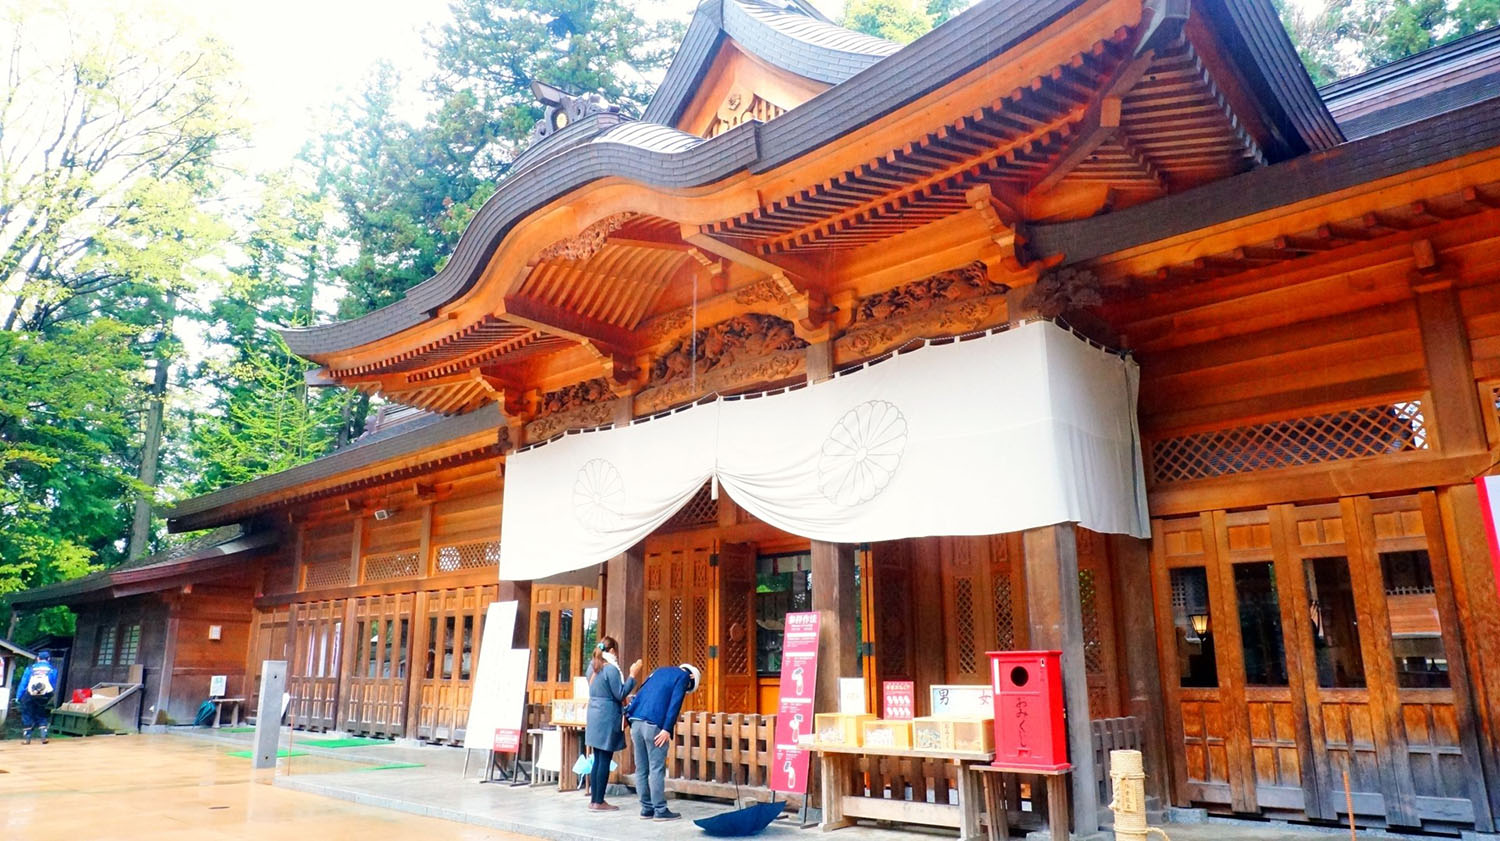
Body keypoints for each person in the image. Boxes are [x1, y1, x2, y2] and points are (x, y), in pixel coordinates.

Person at [625, 662, 701, 821]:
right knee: (656, 768)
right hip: (655, 726)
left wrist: (628, 716)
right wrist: (667, 728)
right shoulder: (684, 676)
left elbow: (640, 693)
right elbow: (675, 704)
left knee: (641, 769)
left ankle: (646, 808)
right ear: (692, 677)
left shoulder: (657, 671)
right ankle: (660, 809)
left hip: (636, 722)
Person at [583, 637, 640, 812]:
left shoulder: (592, 667)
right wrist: (632, 675)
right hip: (607, 716)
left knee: (598, 759)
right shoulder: (611, 669)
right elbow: (620, 693)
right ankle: (599, 801)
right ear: (613, 651)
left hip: (594, 714)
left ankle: (594, 800)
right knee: (605, 759)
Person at [18, 650, 59, 745]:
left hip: (30, 694)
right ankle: (43, 736)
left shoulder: (30, 669)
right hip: (45, 694)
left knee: (27, 713)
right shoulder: (52, 670)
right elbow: (53, 683)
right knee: (41, 712)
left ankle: (27, 738)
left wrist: (18, 696)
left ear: (38, 659)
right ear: (48, 659)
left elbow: (24, 683)